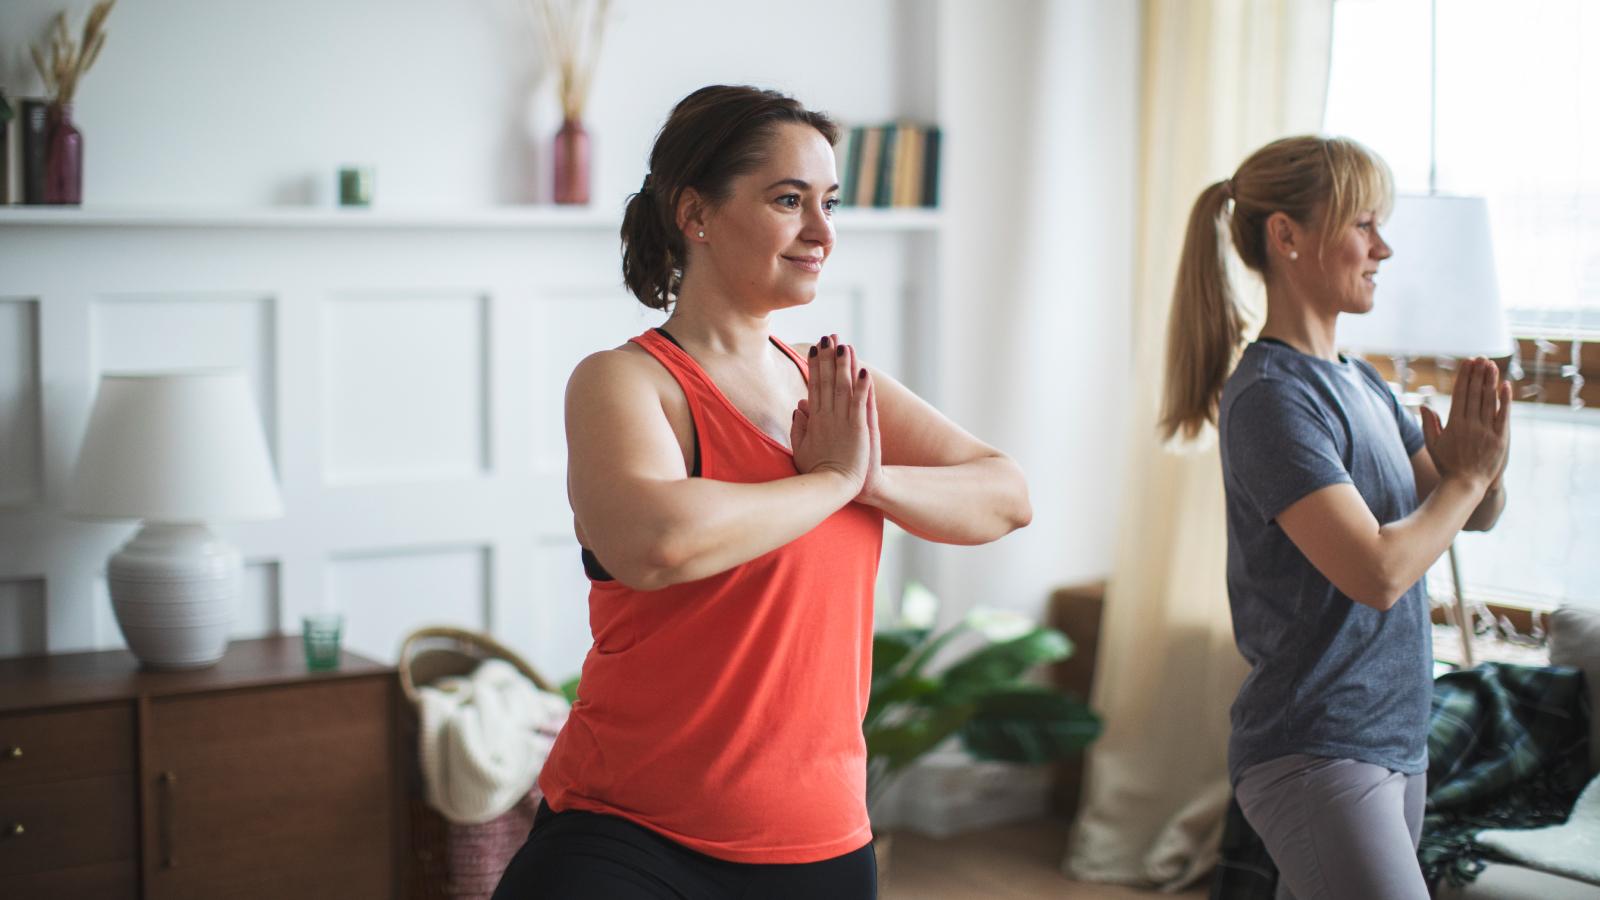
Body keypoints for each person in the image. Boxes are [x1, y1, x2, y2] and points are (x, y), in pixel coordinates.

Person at [491, 85, 1032, 900]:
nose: (823, 232)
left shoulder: (834, 385)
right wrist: (832, 481)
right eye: (788, 200)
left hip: (822, 842)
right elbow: (657, 542)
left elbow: (1005, 494)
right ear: (696, 215)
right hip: (628, 838)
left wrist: (870, 479)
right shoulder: (626, 382)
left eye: (830, 203)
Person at [1161, 136, 1511, 900]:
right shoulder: (1271, 398)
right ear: (1287, 236)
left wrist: (1486, 462)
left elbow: (1471, 513)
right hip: (1317, 749)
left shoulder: (1364, 383)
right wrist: (1466, 480)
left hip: (1393, 740)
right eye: (1364, 224)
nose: (1383, 248)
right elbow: (1378, 572)